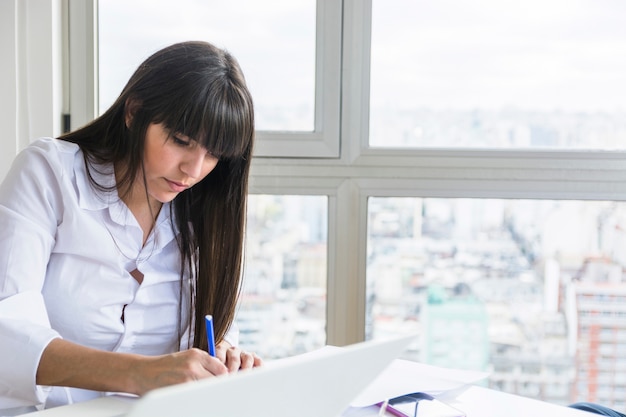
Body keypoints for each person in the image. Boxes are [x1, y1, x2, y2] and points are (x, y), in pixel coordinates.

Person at [0, 40, 261, 413]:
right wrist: (141, 374)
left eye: (214, 154)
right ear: (134, 113)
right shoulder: (49, 175)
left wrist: (222, 358)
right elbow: (5, 334)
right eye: (181, 141)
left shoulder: (207, 214)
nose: (194, 170)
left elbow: (212, 337)